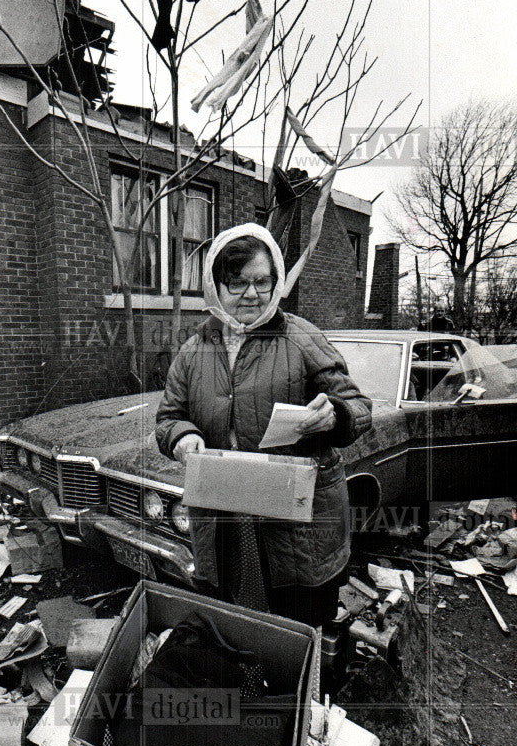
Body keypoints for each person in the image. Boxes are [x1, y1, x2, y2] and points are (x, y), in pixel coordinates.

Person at [156, 223, 372, 627]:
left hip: (295, 521)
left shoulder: (301, 337)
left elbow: (360, 407)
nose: (251, 294)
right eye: (237, 283)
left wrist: (334, 416)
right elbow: (169, 418)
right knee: (237, 622)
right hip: (225, 515)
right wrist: (183, 437)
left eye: (262, 281)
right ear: (215, 286)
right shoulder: (193, 351)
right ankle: (253, 686)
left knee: (298, 626)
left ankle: (297, 688)